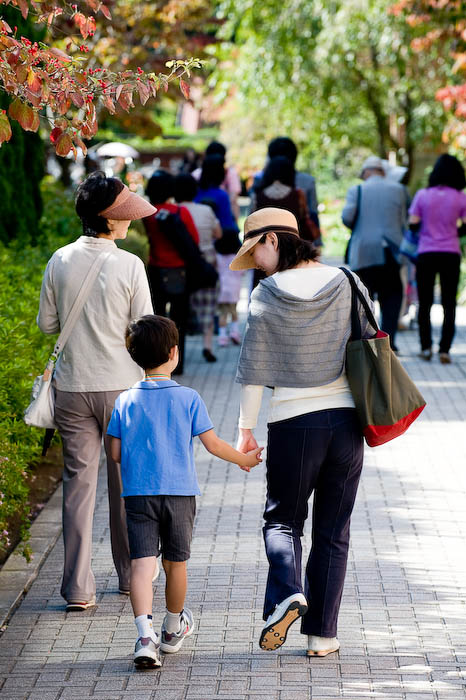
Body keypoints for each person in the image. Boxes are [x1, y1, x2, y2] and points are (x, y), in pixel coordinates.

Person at [230, 207, 375, 657]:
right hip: (347, 421)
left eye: (255, 251)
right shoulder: (348, 280)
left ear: (273, 240)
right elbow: (370, 338)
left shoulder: (268, 294)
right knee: (334, 531)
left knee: (282, 520)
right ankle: (322, 636)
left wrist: (245, 430)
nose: (254, 261)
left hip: (294, 422)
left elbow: (254, 369)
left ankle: (289, 591)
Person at [107, 315, 263, 667]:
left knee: (141, 567)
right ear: (175, 353)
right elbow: (213, 444)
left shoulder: (124, 400)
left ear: (134, 357)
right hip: (180, 496)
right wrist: (245, 459)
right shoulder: (189, 398)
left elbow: (114, 453)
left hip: (138, 495)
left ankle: (144, 638)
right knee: (176, 565)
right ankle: (173, 628)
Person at [37, 171, 156, 610]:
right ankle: (129, 577)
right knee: (127, 484)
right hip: (123, 390)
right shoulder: (129, 265)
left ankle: (77, 590)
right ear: (109, 219)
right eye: (124, 214)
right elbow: (144, 328)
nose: (130, 221)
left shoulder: (59, 260)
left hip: (71, 387)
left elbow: (48, 326)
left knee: (78, 487)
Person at [342, 154, 407, 351]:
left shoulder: (357, 190)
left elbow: (347, 218)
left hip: (364, 252)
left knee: (364, 298)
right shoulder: (400, 190)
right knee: (392, 296)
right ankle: (389, 341)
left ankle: (367, 341)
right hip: (392, 251)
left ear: (367, 172)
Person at [408, 153, 466, 363]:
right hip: (451, 253)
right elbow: (465, 226)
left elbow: (413, 224)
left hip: (426, 252)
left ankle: (425, 347)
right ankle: (445, 350)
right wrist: (453, 231)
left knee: (425, 302)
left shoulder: (423, 195)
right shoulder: (460, 197)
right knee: (449, 303)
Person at [143, 170, 200, 375]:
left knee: (157, 320)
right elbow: (194, 240)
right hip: (179, 273)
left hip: (156, 271)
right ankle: (178, 364)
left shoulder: (148, 214)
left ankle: (157, 363)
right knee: (178, 321)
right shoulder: (180, 212)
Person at [195, 156, 243, 347]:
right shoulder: (222, 196)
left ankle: (215, 330)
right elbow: (228, 223)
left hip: (202, 248)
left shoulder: (198, 194)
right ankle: (228, 331)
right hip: (225, 246)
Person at [173, 173, 222, 363]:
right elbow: (218, 233)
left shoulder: (173, 210)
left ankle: (177, 350)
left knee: (180, 310)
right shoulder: (206, 210)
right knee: (208, 308)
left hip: (181, 265)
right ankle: (207, 346)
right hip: (206, 263)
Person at [252, 136, 319, 223]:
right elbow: (313, 215)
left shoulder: (259, 180)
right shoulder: (307, 181)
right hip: (298, 235)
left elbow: (252, 218)